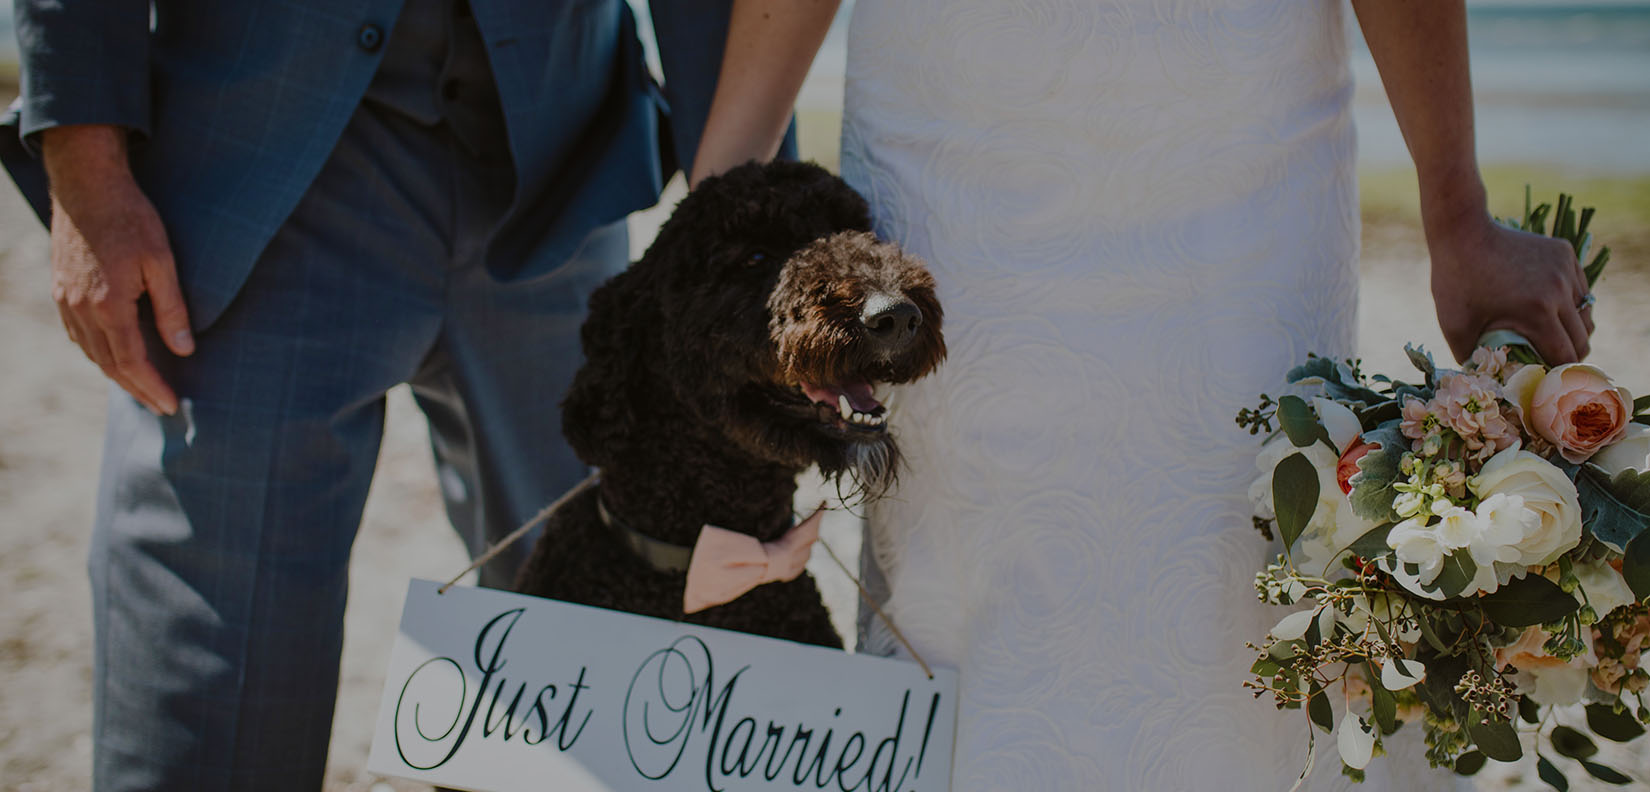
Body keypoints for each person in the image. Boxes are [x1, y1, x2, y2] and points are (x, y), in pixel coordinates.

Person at [690, 0, 1594, 788]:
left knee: (1246, 569)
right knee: (964, 594)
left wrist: (1455, 212)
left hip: (1238, 161)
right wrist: (711, 215)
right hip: (950, 166)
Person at [0, 1, 802, 788]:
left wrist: (756, 235)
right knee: (214, 663)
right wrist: (85, 164)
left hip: (559, 165)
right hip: (260, 155)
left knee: (612, 646)